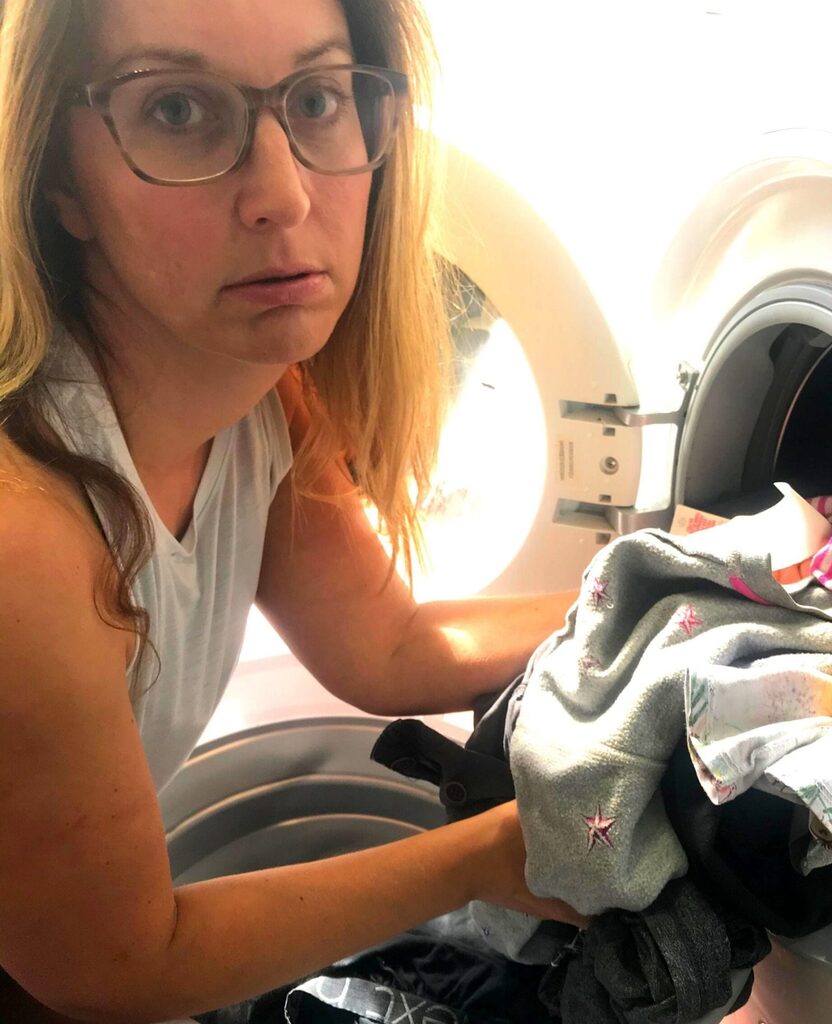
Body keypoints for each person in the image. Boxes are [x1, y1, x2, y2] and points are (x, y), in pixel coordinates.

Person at [0, 0, 584, 1020]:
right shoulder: (26, 534)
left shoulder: (255, 385)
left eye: (315, 100)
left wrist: (662, 584)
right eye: (178, 110)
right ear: (60, 181)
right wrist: (487, 855)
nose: (280, 193)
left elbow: (389, 644)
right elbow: (117, 967)